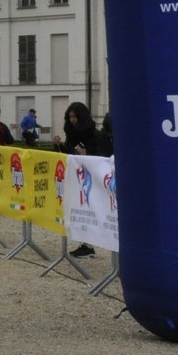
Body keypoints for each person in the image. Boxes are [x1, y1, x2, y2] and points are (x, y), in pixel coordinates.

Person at [54, 101, 105, 257]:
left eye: (75, 117)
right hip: (76, 178)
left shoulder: (95, 135)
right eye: (70, 117)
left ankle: (88, 245)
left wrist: (86, 154)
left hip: (91, 180)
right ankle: (85, 244)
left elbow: (102, 156)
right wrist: (59, 146)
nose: (72, 120)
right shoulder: (72, 134)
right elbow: (69, 152)